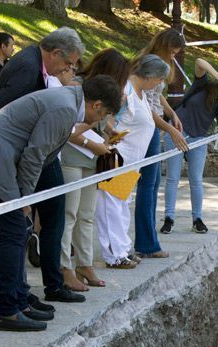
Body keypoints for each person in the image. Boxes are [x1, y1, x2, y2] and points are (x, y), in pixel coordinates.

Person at [0, 76, 122, 331]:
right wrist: (26, 199)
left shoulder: (68, 103)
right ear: (97, 105)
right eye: (104, 114)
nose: (100, 120)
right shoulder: (65, 108)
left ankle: (19, 300)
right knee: (14, 230)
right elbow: (35, 154)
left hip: (1, 153)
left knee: (19, 230)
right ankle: (6, 310)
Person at [0, 27, 87, 304]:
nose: (68, 70)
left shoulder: (32, 62)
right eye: (67, 63)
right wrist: (22, 189)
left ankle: (31, 290)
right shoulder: (28, 68)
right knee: (18, 226)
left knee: (49, 216)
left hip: (32, 154)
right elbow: (2, 117)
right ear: (54, 53)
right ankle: (15, 298)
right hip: (16, 156)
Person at [60, 49, 130, 291]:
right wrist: (95, 144)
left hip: (92, 158)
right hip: (71, 156)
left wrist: (109, 133)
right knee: (69, 214)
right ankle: (65, 267)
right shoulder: (78, 86)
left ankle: (85, 262)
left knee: (86, 214)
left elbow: (97, 120)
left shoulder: (104, 94)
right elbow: (67, 129)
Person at [95, 55, 171, 270]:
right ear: (150, 76)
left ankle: (123, 249)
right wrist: (108, 145)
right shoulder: (125, 91)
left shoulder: (142, 94)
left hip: (131, 163)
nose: (159, 84)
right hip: (118, 160)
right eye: (159, 80)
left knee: (121, 205)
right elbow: (108, 121)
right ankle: (114, 255)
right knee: (110, 207)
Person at [162, 59, 218, 235]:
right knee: (172, 178)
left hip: (198, 139)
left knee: (196, 180)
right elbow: (199, 62)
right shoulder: (203, 85)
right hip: (177, 132)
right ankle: (169, 218)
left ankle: (197, 219)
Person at [133, 29, 189, 259]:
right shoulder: (147, 65)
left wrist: (170, 112)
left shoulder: (157, 66)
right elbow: (146, 106)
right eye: (174, 51)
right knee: (148, 183)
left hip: (154, 125)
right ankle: (146, 243)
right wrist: (170, 129)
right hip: (147, 127)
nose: (175, 56)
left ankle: (148, 241)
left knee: (154, 182)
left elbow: (157, 96)